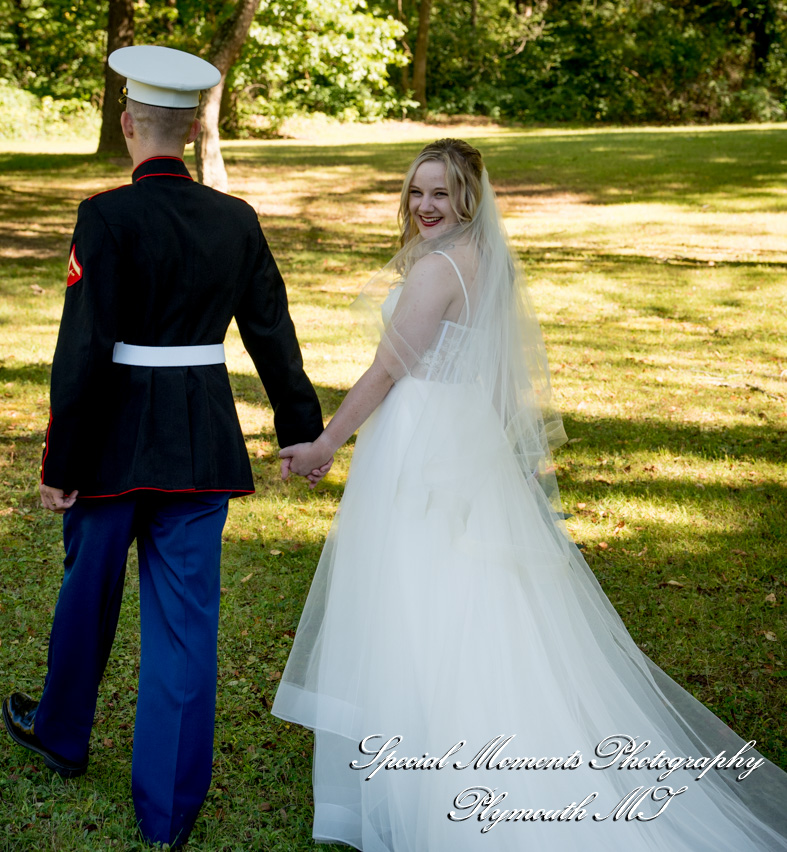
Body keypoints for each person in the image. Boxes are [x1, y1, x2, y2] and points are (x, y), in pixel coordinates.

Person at [272, 138, 787, 850]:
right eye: (417, 191)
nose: (425, 205)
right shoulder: (490, 264)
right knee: (466, 596)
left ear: (469, 199)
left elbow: (387, 371)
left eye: (442, 193)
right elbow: (490, 379)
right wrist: (488, 460)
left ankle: (440, 775)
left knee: (415, 598)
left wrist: (326, 444)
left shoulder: (434, 270)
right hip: (460, 433)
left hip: (421, 436)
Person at [1, 45, 327, 849]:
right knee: (186, 627)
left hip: (109, 447)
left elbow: (83, 350)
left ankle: (63, 734)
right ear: (189, 128)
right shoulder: (236, 218)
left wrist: (60, 464)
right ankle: (169, 813)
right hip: (200, 445)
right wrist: (299, 428)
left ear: (128, 125)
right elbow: (271, 332)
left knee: (88, 596)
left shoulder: (105, 215)